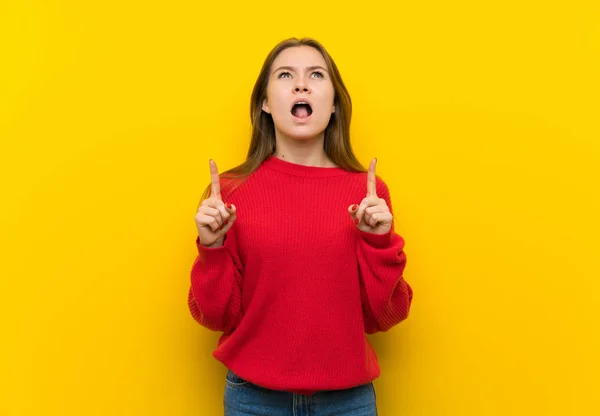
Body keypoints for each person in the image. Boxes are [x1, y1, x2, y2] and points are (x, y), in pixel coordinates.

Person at [188, 37, 413, 416]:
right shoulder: (227, 195)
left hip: (347, 402)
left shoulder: (368, 195)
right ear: (264, 102)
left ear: (335, 104)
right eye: (286, 75)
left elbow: (386, 315)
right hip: (253, 400)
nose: (301, 85)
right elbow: (214, 317)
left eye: (316, 75)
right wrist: (213, 247)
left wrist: (379, 244)